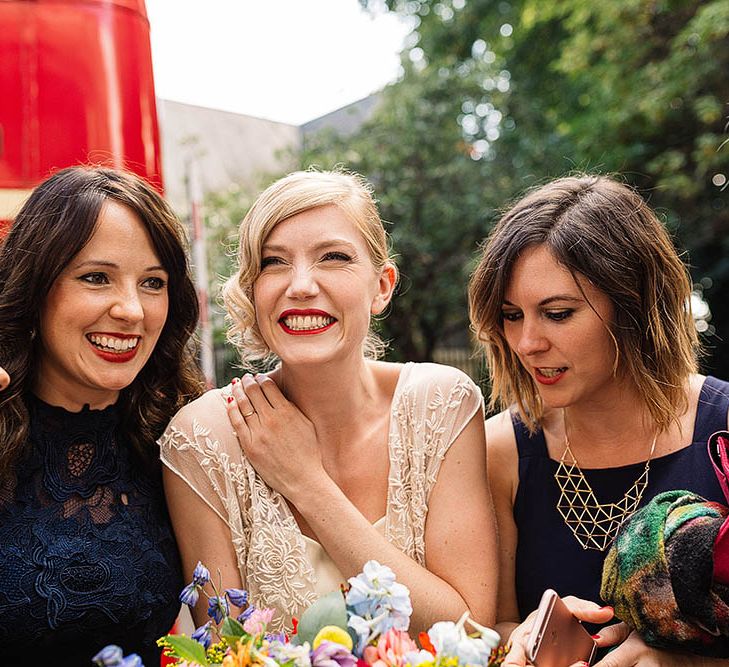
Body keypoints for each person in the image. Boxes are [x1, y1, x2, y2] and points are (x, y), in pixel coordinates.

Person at [160, 169, 498, 634]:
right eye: (274, 262)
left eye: (333, 257)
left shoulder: (442, 405)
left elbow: (471, 631)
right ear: (252, 289)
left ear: (382, 286)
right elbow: (224, 652)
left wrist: (306, 483)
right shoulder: (202, 438)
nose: (300, 285)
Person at [468, 174, 729, 666]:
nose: (527, 343)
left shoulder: (723, 430)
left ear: (632, 304)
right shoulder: (499, 450)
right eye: (511, 314)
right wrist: (520, 637)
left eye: (558, 313)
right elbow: (491, 625)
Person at [0, 166, 204, 666]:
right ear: (36, 287)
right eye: (96, 278)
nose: (132, 310)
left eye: (153, 283)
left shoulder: (185, 438)